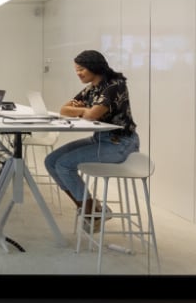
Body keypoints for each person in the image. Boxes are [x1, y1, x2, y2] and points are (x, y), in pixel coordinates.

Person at [44, 50, 139, 232]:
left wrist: (82, 110)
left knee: (64, 164)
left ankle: (90, 213)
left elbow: (91, 115)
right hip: (100, 139)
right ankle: (91, 208)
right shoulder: (92, 87)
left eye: (81, 69)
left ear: (94, 67)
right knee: (51, 161)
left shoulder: (114, 85)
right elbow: (63, 109)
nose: (78, 73)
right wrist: (84, 109)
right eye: (76, 70)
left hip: (121, 144)